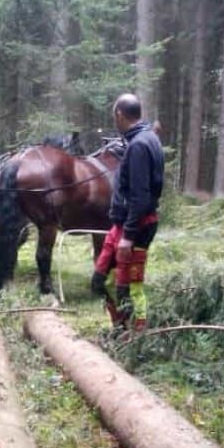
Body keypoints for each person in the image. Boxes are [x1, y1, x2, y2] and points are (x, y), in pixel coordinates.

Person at [90, 94, 164, 334]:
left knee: (130, 287)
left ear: (119, 115)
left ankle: (135, 335)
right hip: (121, 225)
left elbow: (141, 196)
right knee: (100, 280)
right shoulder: (144, 139)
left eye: (114, 117)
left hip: (136, 227)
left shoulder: (140, 145)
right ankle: (119, 327)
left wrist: (129, 236)